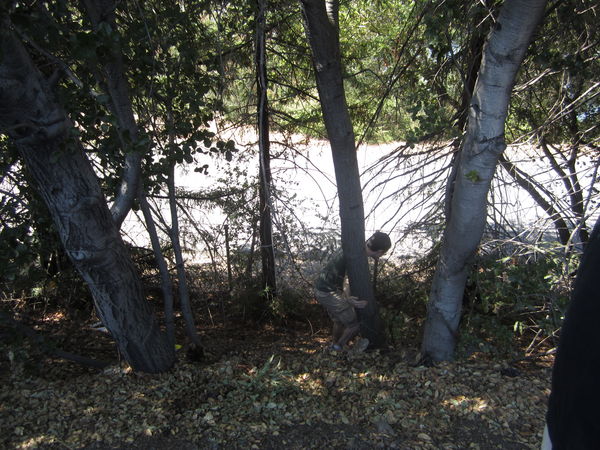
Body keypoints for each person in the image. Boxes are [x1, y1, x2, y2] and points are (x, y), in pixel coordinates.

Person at [315, 231, 392, 351]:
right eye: (384, 253)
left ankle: (333, 345)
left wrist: (346, 297)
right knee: (355, 324)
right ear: (380, 251)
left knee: (339, 320)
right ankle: (337, 348)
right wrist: (347, 299)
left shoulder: (354, 247)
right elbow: (347, 280)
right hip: (327, 292)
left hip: (323, 288)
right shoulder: (357, 257)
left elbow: (345, 277)